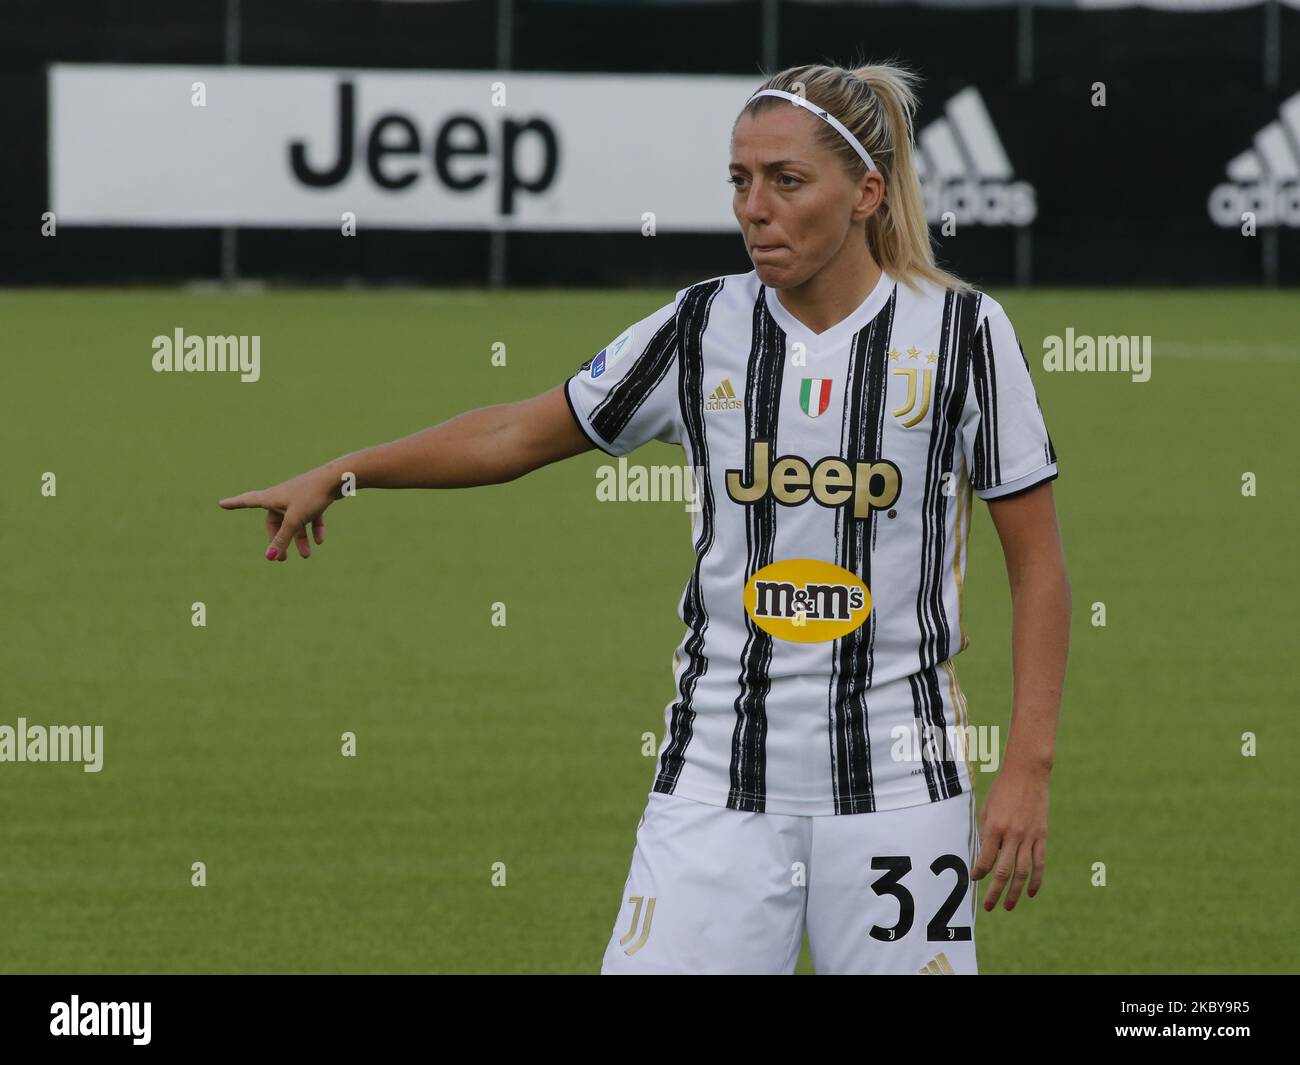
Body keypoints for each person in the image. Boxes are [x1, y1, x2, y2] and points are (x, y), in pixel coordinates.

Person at [219, 59, 1070, 975]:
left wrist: (1026, 769)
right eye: (740, 180)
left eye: (787, 181)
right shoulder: (702, 326)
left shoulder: (963, 334)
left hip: (902, 789)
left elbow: (1039, 568)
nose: (755, 206)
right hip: (715, 783)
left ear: (866, 192)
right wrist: (347, 471)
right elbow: (515, 432)